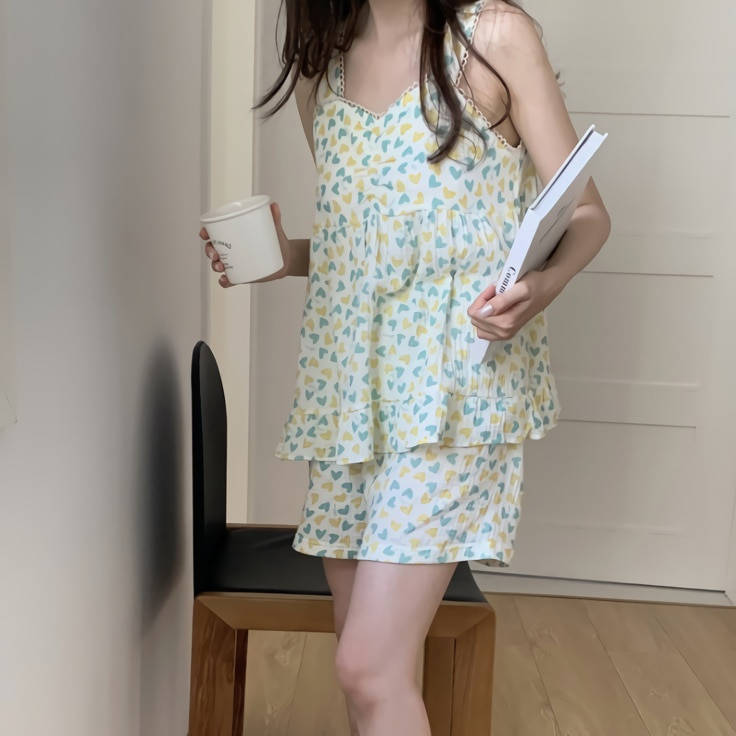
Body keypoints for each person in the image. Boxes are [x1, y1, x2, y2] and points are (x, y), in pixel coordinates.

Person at [201, 1, 610, 733]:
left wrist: (538, 290)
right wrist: (283, 256)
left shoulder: (494, 39)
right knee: (365, 670)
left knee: (368, 666)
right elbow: (368, 242)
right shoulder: (322, 71)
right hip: (350, 394)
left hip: (455, 392)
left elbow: (588, 214)